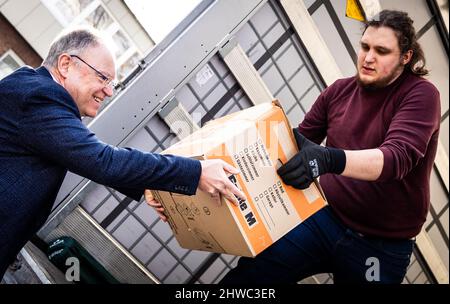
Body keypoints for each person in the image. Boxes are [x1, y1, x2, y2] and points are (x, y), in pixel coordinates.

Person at [150, 10, 441, 284]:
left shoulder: (420, 95)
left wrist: (328, 160)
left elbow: (396, 159)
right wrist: (198, 173)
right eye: (365, 47)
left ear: (406, 56)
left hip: (381, 246)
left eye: (381, 51)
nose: (367, 58)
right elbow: (290, 144)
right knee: (249, 278)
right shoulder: (339, 91)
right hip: (324, 218)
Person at [0, 28, 245, 279]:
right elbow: (102, 160)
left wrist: (148, 186)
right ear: (65, 64)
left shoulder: (34, 91)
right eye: (103, 78)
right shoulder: (40, 97)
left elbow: (91, 160)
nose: (108, 92)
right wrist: (197, 171)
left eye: (111, 83)